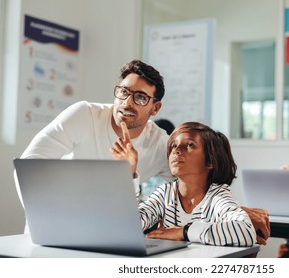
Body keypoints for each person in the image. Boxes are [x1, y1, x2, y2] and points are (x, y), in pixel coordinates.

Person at [19, 60, 173, 187]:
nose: (127, 103)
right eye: (124, 92)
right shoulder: (84, 115)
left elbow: (189, 190)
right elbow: (29, 165)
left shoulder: (160, 145)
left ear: (155, 108)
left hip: (108, 222)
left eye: (140, 97)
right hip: (54, 214)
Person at [112, 121, 260, 246]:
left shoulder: (217, 196)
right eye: (173, 146)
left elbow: (245, 231)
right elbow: (127, 225)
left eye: (189, 145)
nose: (176, 151)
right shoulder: (165, 193)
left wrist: (183, 232)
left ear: (210, 161)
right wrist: (128, 172)